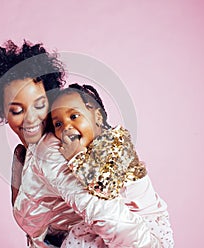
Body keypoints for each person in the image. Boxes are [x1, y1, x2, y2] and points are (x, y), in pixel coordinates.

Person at [0, 40, 171, 248]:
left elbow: (105, 213)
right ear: (2, 112)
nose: (30, 119)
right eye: (17, 110)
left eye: (39, 105)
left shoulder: (53, 150)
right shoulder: (26, 153)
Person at [50, 83, 174, 247]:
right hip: (115, 221)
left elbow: (105, 187)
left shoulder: (116, 141)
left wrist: (76, 156)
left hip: (145, 224)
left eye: (74, 116)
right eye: (58, 124)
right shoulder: (86, 150)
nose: (67, 127)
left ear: (98, 117)